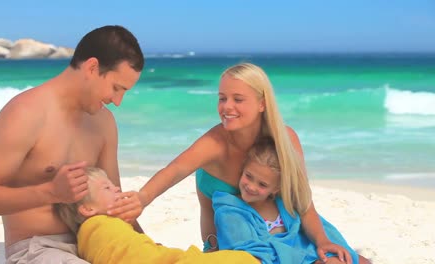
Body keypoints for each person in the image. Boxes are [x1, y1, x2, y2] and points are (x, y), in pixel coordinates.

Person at [127, 62, 354, 261]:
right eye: (222, 98)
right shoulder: (215, 143)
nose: (227, 107)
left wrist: (322, 241)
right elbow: (174, 170)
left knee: (350, 260)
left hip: (290, 231)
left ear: (262, 103)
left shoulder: (285, 141)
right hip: (234, 244)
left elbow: (303, 203)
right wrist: (142, 198)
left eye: (238, 99)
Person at [0, 25, 145, 263]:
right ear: (92, 67)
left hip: (97, 240)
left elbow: (116, 208)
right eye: (116, 88)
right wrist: (50, 192)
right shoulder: (26, 113)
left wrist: (147, 245)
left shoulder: (104, 122)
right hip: (38, 248)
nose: (117, 101)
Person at [213, 136, 370, 264]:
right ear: (243, 169)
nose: (251, 187)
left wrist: (323, 249)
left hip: (308, 253)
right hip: (280, 260)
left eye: (262, 184)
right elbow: (247, 251)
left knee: (353, 261)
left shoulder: (284, 204)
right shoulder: (230, 211)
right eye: (248, 176)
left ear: (276, 189)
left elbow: (312, 229)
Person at [55, 166, 259, 264]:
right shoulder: (98, 228)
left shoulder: (110, 226)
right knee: (242, 260)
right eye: (107, 187)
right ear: (88, 209)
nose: (117, 188)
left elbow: (139, 248)